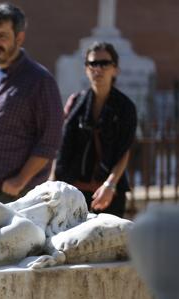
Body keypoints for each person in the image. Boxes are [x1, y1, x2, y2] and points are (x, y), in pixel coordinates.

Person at [0, 3, 63, 203]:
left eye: (2, 36)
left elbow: (50, 140)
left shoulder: (39, 81)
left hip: (15, 196)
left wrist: (20, 180)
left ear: (19, 37)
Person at [53, 42, 137, 217]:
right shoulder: (76, 102)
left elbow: (124, 151)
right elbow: (62, 147)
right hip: (74, 190)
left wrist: (110, 185)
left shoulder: (125, 107)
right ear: (86, 69)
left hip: (109, 191)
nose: (98, 68)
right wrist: (53, 183)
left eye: (104, 63)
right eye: (93, 63)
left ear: (115, 69)